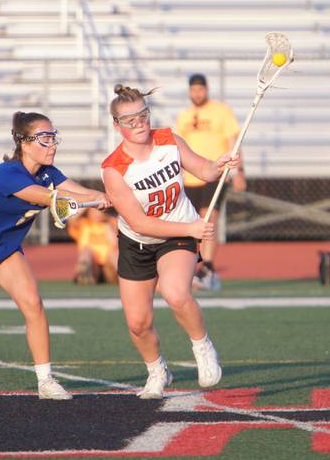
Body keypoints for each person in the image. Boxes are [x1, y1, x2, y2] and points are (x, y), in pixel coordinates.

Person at [0, 111, 109, 400]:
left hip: (5, 249)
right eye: (45, 139)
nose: (53, 144)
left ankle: (45, 381)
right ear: (24, 142)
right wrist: (92, 200)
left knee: (34, 304)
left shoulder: (48, 173)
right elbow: (51, 198)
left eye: (53, 137)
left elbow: (80, 191)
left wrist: (113, 196)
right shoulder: (7, 175)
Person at [101, 84, 240, 399]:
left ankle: (202, 346)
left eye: (142, 116)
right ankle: (157, 369)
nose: (139, 124)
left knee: (177, 294)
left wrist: (219, 166)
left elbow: (202, 169)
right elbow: (138, 222)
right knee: (138, 324)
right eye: (129, 120)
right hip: (137, 242)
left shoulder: (168, 140)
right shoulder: (113, 170)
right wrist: (190, 230)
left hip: (176, 235)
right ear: (116, 125)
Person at [175, 74, 245, 290]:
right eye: (193, 90)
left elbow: (234, 141)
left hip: (215, 173)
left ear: (206, 90)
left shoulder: (221, 111)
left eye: (200, 89)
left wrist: (239, 171)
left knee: (208, 219)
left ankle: (207, 268)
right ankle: (195, 268)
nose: (197, 93)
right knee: (193, 224)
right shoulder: (184, 116)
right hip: (189, 177)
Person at [67, 207, 119, 285]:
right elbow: (71, 220)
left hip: (109, 266)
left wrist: (110, 227)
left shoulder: (111, 224)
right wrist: (87, 204)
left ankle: (122, 275)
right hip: (92, 265)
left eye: (99, 211)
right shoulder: (83, 224)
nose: (97, 214)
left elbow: (116, 244)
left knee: (114, 254)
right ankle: (85, 274)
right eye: (94, 211)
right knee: (86, 251)